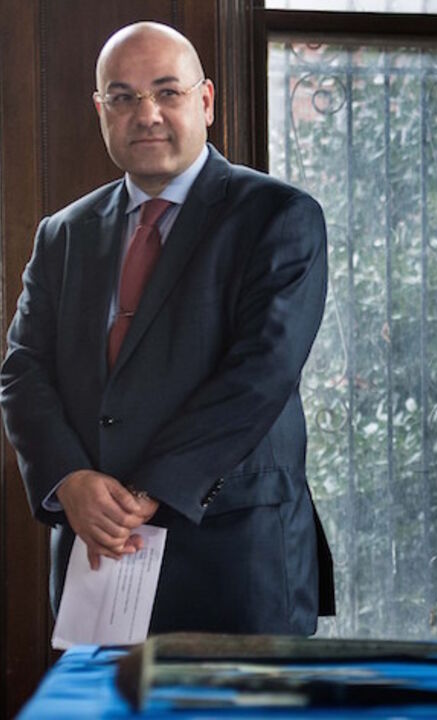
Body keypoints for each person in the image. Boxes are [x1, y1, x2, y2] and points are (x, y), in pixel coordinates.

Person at [0, 21, 334, 634]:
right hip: (97, 560)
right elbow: (22, 369)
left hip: (236, 558)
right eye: (123, 97)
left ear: (204, 101)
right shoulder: (64, 234)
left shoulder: (278, 217)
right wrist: (67, 479)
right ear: (101, 110)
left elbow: (261, 375)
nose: (145, 114)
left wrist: (150, 489)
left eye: (166, 92)